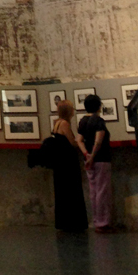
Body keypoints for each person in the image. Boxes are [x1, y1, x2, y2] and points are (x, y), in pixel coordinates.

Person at [79, 93, 115, 231]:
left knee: (93, 191)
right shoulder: (99, 121)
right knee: (102, 191)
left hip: (88, 160)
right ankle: (102, 223)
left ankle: (96, 221)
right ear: (99, 106)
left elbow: (79, 140)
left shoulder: (83, 121)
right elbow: (98, 140)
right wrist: (92, 156)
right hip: (101, 159)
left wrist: (86, 155)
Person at [51, 98, 88, 233]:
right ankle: (74, 222)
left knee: (62, 192)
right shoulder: (65, 124)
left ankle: (64, 221)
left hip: (59, 162)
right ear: (68, 111)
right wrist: (80, 140)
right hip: (67, 163)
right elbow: (72, 142)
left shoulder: (56, 123)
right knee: (72, 191)